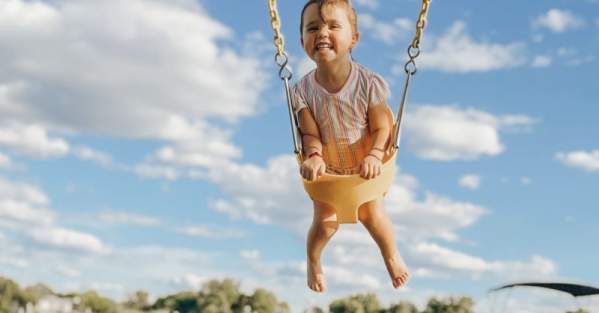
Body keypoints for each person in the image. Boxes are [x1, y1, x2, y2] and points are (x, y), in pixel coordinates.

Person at [292, 0, 410, 293]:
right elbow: (309, 133)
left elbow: (383, 127)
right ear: (302, 41)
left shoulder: (369, 83)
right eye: (313, 27)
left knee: (374, 216)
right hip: (329, 170)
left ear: (354, 38)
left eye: (333, 26)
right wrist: (315, 155)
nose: (322, 32)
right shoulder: (302, 91)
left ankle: (392, 256)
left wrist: (374, 154)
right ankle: (313, 259)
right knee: (324, 225)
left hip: (365, 167)